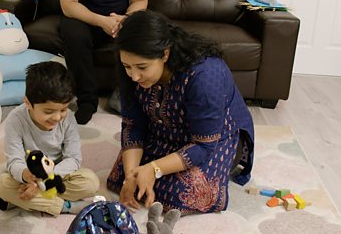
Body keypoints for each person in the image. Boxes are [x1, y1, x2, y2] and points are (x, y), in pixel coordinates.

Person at [106, 11, 255, 215]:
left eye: (142, 67)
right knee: (119, 178)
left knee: (185, 192)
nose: (134, 76)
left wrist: (153, 169)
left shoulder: (205, 74)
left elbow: (204, 145)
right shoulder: (131, 73)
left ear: (165, 54)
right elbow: (133, 125)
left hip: (214, 140)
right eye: (127, 67)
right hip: (163, 133)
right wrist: (131, 175)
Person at [0, 61, 99, 216]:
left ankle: (22, 200)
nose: (57, 117)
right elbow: (14, 161)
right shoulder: (15, 120)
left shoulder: (68, 118)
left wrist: (45, 181)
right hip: (28, 174)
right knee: (2, 185)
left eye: (63, 109)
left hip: (57, 173)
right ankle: (67, 206)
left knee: (91, 182)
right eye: (49, 111)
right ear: (28, 103)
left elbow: (73, 159)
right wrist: (27, 176)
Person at [58, 0, 148, 124]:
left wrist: (125, 18)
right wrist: (101, 21)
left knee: (144, 28)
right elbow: (69, 5)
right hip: (85, 18)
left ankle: (125, 96)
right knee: (73, 33)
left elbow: (140, 0)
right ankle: (87, 101)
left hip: (121, 18)